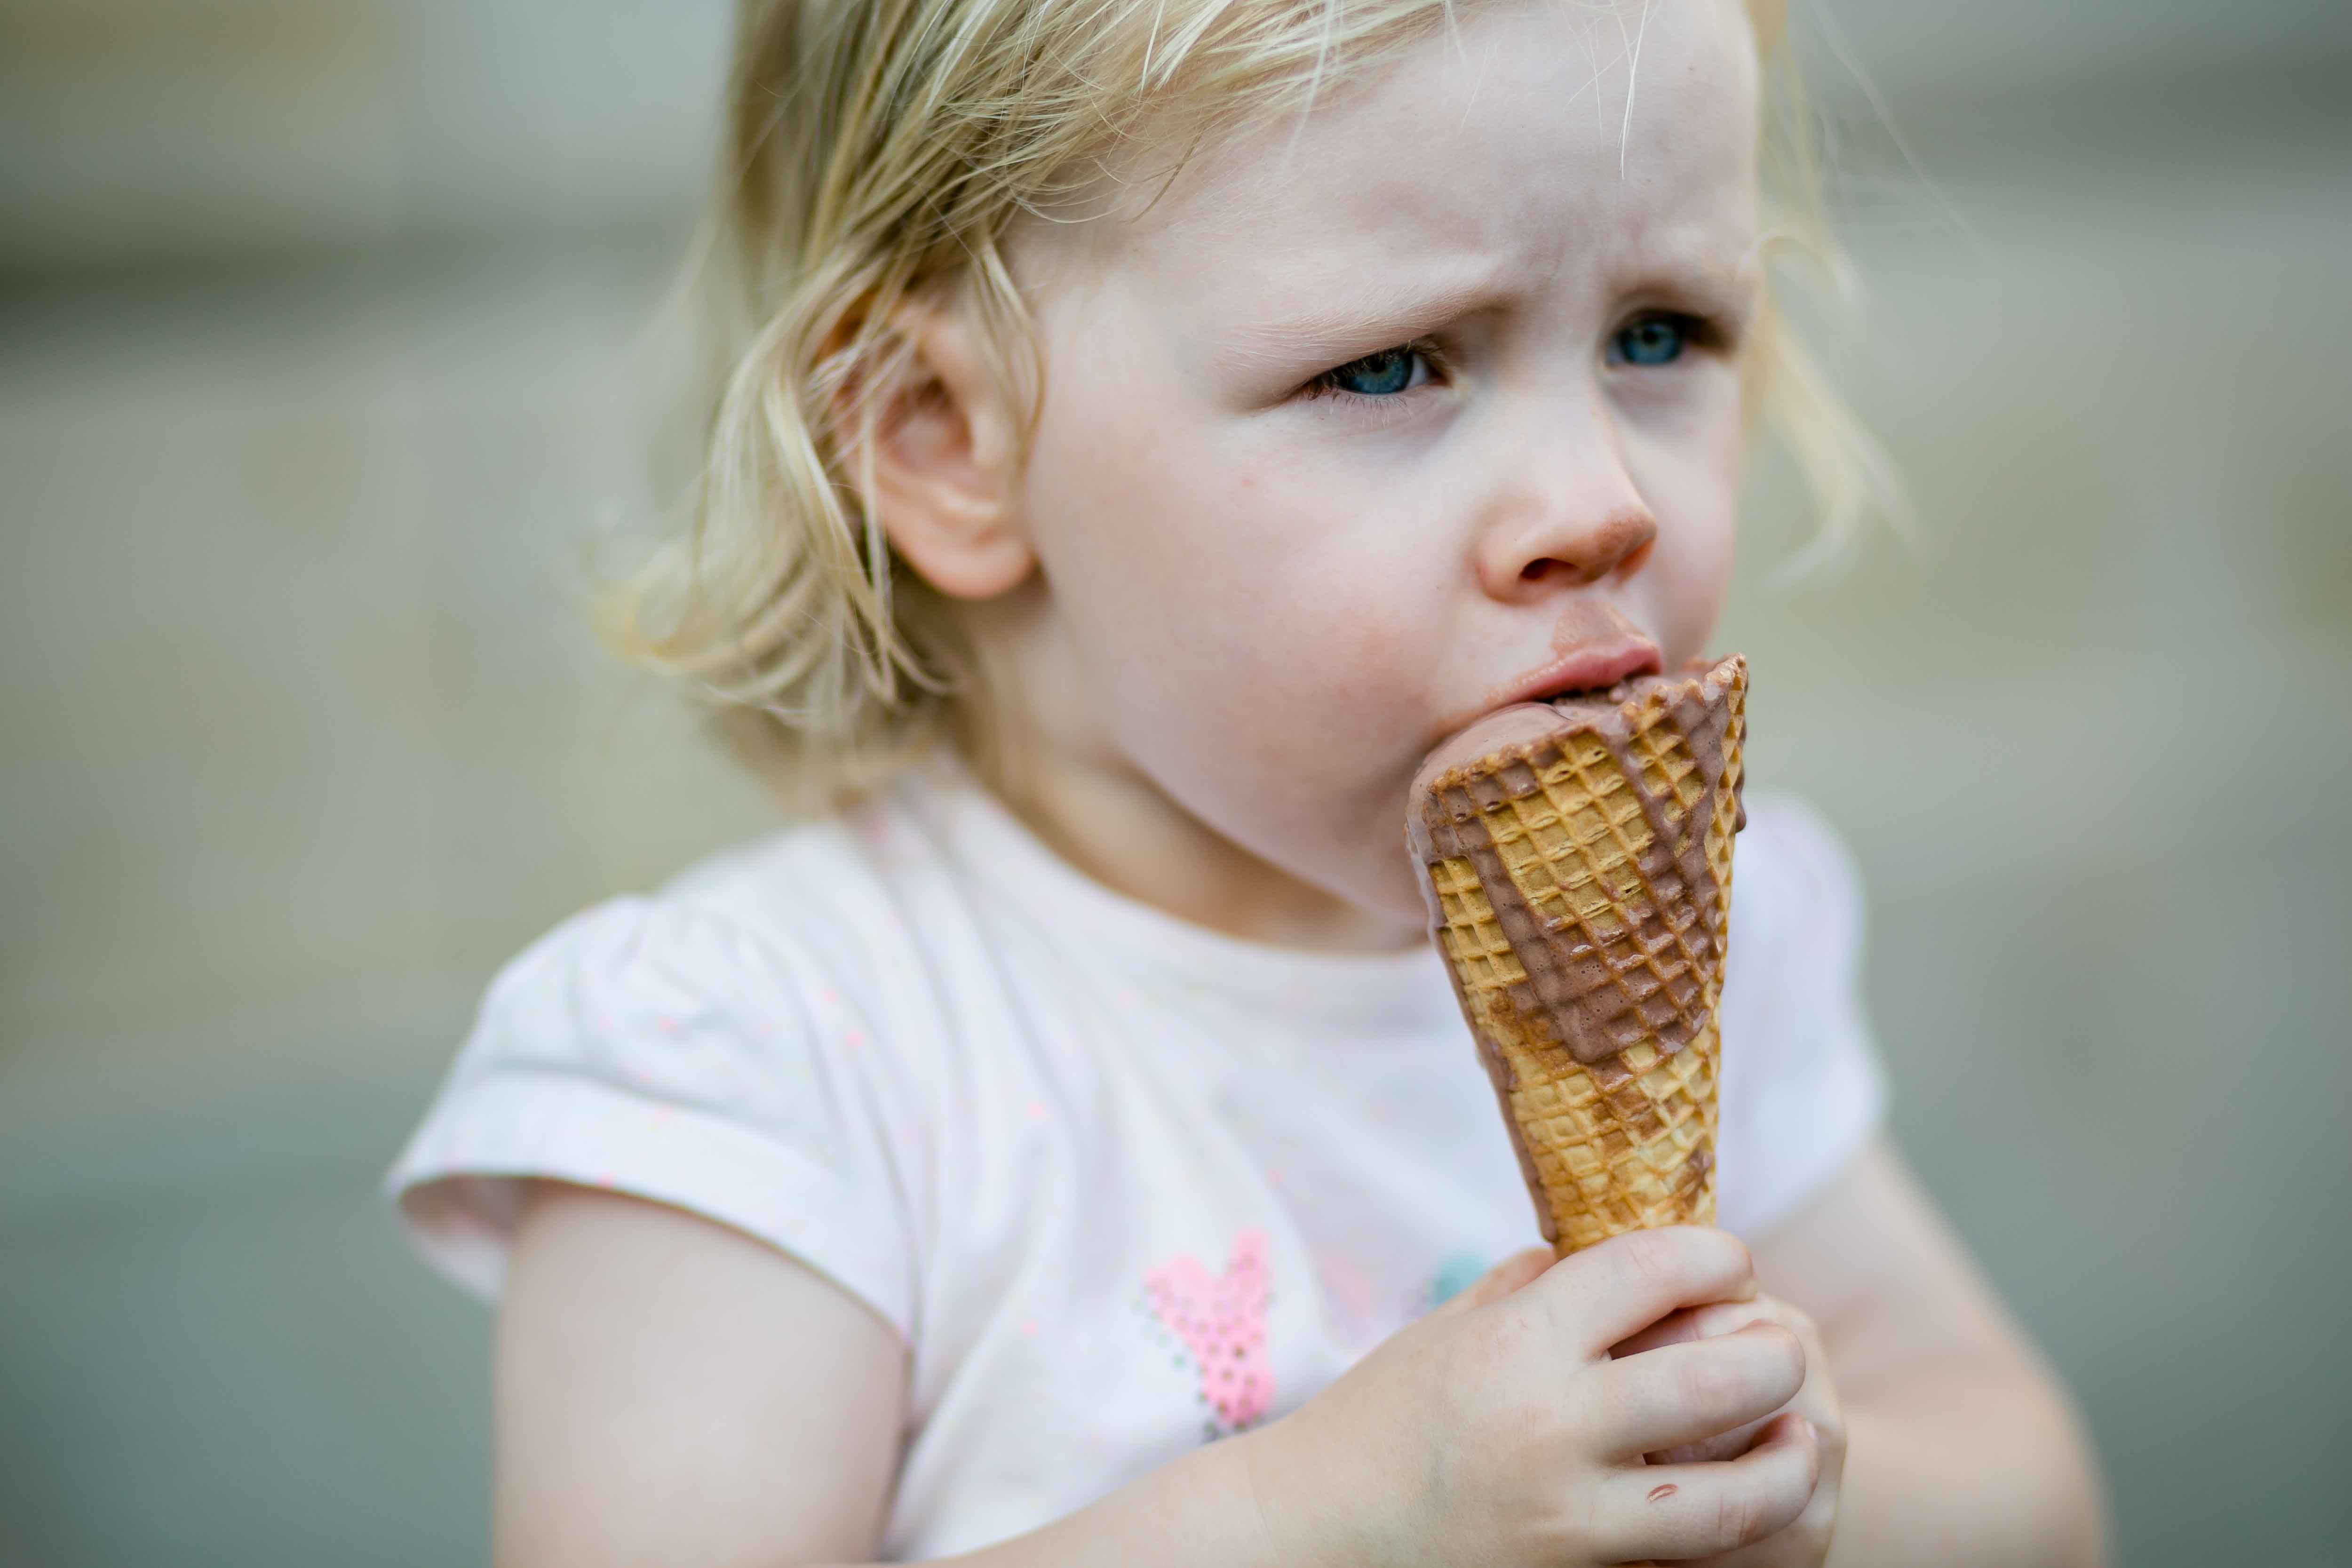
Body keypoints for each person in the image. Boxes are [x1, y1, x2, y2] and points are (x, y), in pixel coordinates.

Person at [386, 0, 2107, 1562]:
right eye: (1387, 366)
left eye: (1659, 334)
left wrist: (1792, 1487)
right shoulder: (776, 1066)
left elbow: (2038, 1504)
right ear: (947, 442)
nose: (1601, 502)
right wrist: (1362, 1517)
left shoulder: (1722, 950)